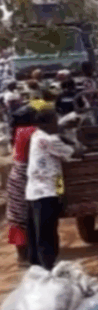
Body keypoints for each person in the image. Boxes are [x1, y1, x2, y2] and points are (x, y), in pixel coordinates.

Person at [25, 110, 82, 270]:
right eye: (53, 121)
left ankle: (37, 269)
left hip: (34, 193)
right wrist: (73, 141)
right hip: (45, 193)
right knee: (47, 235)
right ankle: (48, 269)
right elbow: (76, 152)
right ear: (45, 124)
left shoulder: (38, 136)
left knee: (37, 235)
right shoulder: (47, 140)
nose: (56, 124)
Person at [6, 105, 37, 266]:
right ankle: (26, 256)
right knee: (27, 216)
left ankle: (22, 256)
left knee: (18, 217)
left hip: (17, 176)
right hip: (26, 176)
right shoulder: (30, 131)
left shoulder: (17, 132)